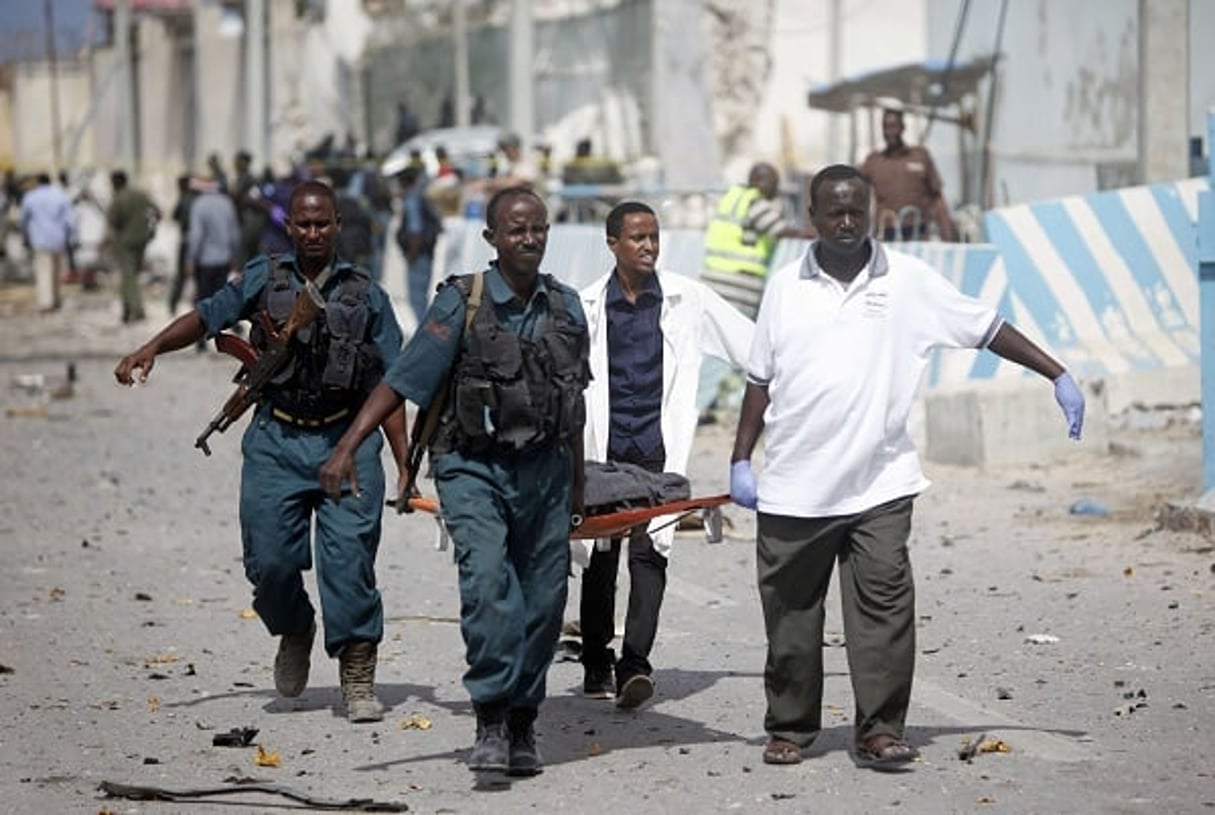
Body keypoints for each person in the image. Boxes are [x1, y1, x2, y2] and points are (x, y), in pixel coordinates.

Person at [728, 164, 1086, 769]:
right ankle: (790, 726)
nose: (846, 223)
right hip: (796, 488)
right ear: (811, 218)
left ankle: (881, 729)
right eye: (833, 212)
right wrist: (741, 457)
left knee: (884, 612)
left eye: (856, 211)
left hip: (881, 484)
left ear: (873, 214)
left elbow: (986, 328)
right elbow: (760, 382)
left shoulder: (910, 283)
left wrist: (1057, 373)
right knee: (791, 621)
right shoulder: (785, 287)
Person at [319, 186, 590, 776]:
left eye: (538, 228)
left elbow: (575, 404)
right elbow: (401, 382)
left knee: (545, 604)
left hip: (545, 472)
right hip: (473, 467)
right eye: (516, 230)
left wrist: (577, 484)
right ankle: (491, 717)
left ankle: (523, 721)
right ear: (491, 238)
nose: (529, 239)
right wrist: (347, 447)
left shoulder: (567, 307)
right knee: (489, 586)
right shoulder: (460, 305)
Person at [114, 180, 406, 724]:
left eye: (323, 223)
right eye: (304, 224)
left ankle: (358, 667)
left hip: (347, 440)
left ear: (338, 224)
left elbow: (392, 386)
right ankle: (294, 628)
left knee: (348, 565)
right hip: (277, 439)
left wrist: (405, 463)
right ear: (289, 226)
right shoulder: (262, 278)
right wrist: (150, 347)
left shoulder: (367, 295)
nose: (314, 233)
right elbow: (206, 318)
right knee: (268, 563)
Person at [577, 201, 753, 708]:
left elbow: (752, 348)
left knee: (651, 555)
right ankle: (595, 661)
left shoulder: (687, 300)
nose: (649, 246)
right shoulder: (587, 305)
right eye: (638, 238)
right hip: (603, 451)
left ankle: (634, 663)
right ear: (612, 244)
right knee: (600, 556)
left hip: (657, 453)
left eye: (654, 237)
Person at [702, 162, 810, 319]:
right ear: (761, 181)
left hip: (712, 282)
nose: (776, 190)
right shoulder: (755, 202)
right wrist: (813, 234)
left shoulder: (731, 198)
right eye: (774, 184)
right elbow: (779, 230)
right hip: (738, 288)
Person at [861, 108, 956, 242]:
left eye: (894, 127)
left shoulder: (920, 156)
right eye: (886, 127)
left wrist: (947, 234)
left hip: (918, 232)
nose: (890, 132)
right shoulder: (874, 161)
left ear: (902, 127)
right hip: (887, 234)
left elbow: (937, 197)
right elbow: (856, 193)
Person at [185, 173, 240, 348]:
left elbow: (196, 235)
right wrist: (234, 255)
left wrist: (191, 259)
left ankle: (201, 339)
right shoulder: (227, 203)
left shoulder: (199, 205)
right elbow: (234, 233)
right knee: (222, 296)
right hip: (223, 259)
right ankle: (225, 333)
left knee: (202, 299)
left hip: (205, 260)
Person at [106, 170, 160, 324]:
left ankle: (136, 309)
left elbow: (113, 221)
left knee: (128, 277)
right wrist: (151, 231)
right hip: (142, 240)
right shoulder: (141, 195)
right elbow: (158, 212)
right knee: (132, 276)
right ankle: (127, 309)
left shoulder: (118, 199)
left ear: (115, 183)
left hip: (125, 243)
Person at [19, 172, 76, 313]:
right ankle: (56, 299)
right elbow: (70, 219)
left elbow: (24, 220)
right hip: (58, 239)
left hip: (40, 239)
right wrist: (71, 236)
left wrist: (25, 236)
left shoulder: (31, 197)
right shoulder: (61, 195)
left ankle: (46, 303)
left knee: (44, 272)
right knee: (57, 272)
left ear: (37, 182)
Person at [395, 164, 443, 327]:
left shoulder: (412, 199)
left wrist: (411, 256)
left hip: (418, 254)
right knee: (422, 295)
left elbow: (416, 230)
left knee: (416, 297)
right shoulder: (421, 195)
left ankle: (425, 334)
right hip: (426, 252)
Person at [167, 174, 197, 314]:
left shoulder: (184, 199)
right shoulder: (197, 198)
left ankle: (173, 304)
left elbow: (175, 216)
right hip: (198, 242)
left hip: (187, 240)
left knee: (181, 275)